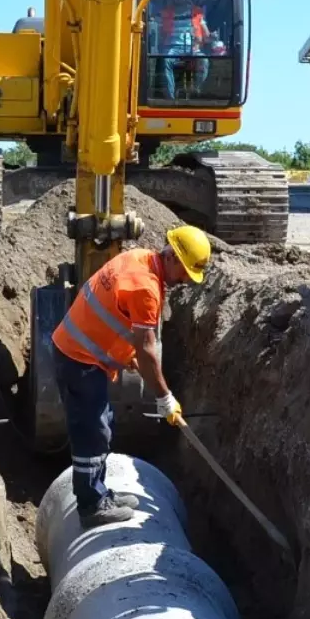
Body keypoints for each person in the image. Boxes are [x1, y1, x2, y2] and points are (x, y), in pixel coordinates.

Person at [51, 226, 210, 527]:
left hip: (82, 354)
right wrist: (165, 399)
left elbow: (113, 314)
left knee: (103, 425)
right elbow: (148, 350)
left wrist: (126, 356)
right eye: (187, 272)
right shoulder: (146, 288)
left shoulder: (138, 257)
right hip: (80, 359)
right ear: (174, 258)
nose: (187, 280)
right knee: (91, 432)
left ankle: (100, 493)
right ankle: (91, 506)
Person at [158, 0, 211, 98]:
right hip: (173, 48)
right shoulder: (165, 13)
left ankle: (195, 90)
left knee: (204, 61)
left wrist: (210, 37)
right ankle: (170, 98)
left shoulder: (197, 12)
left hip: (193, 48)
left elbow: (206, 34)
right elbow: (157, 31)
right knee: (166, 60)